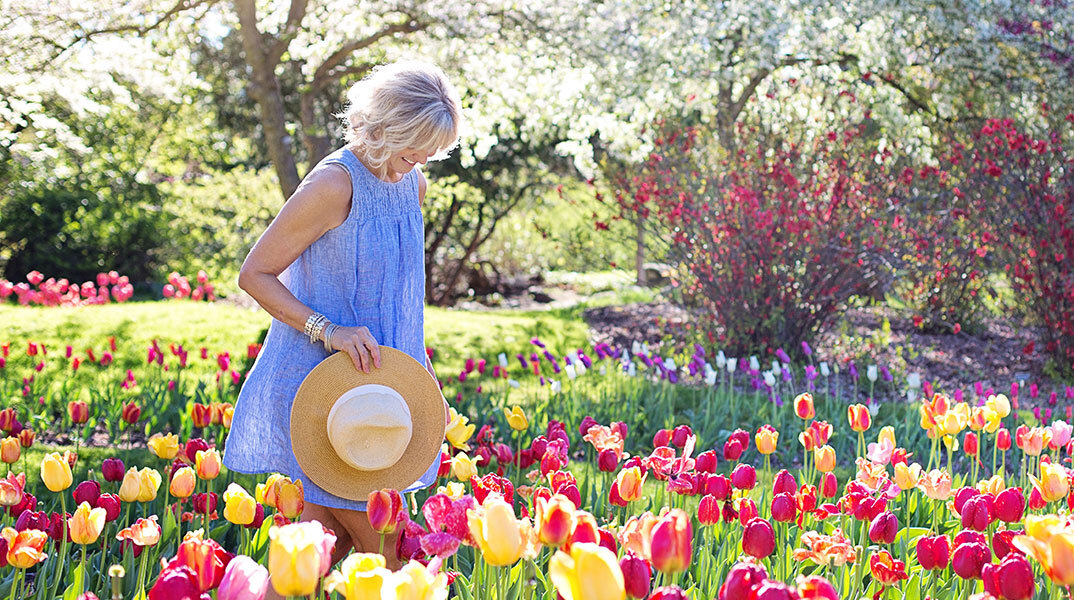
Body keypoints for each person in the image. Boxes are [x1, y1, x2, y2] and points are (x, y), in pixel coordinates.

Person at [222, 60, 462, 573]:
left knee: (315, 562)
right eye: (411, 150)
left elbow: (401, 303)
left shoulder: (411, 185)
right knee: (388, 557)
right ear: (382, 129)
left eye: (429, 154)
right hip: (326, 395)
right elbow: (255, 274)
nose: (417, 164)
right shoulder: (334, 185)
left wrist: (425, 382)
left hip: (382, 396)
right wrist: (327, 331)